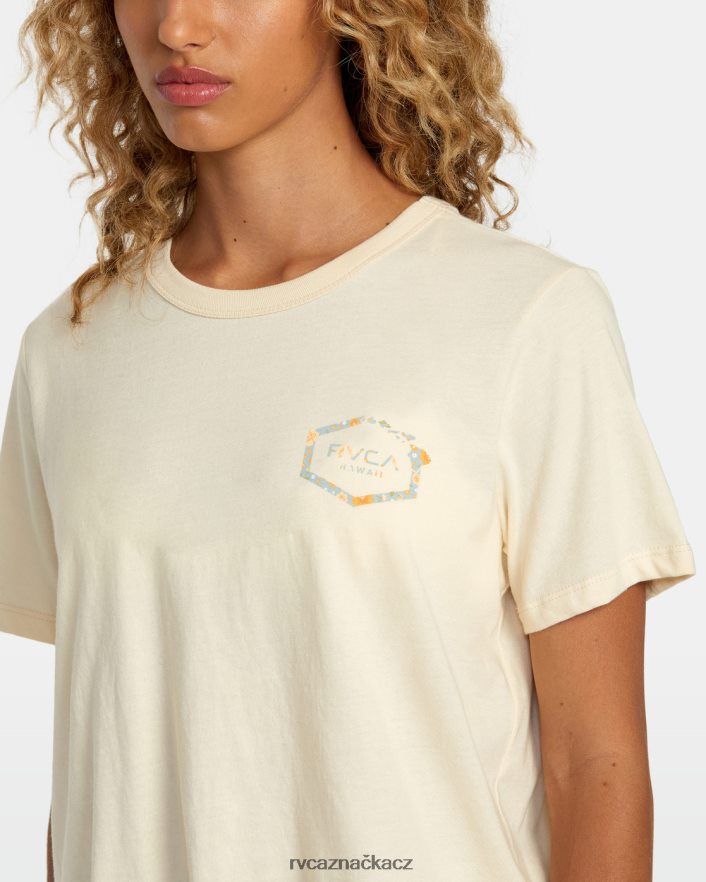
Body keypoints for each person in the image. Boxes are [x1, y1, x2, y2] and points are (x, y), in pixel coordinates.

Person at [0, 1, 696, 880]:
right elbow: (98, 763)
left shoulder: (523, 318)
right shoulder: (70, 354)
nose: (177, 27)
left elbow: (595, 763)